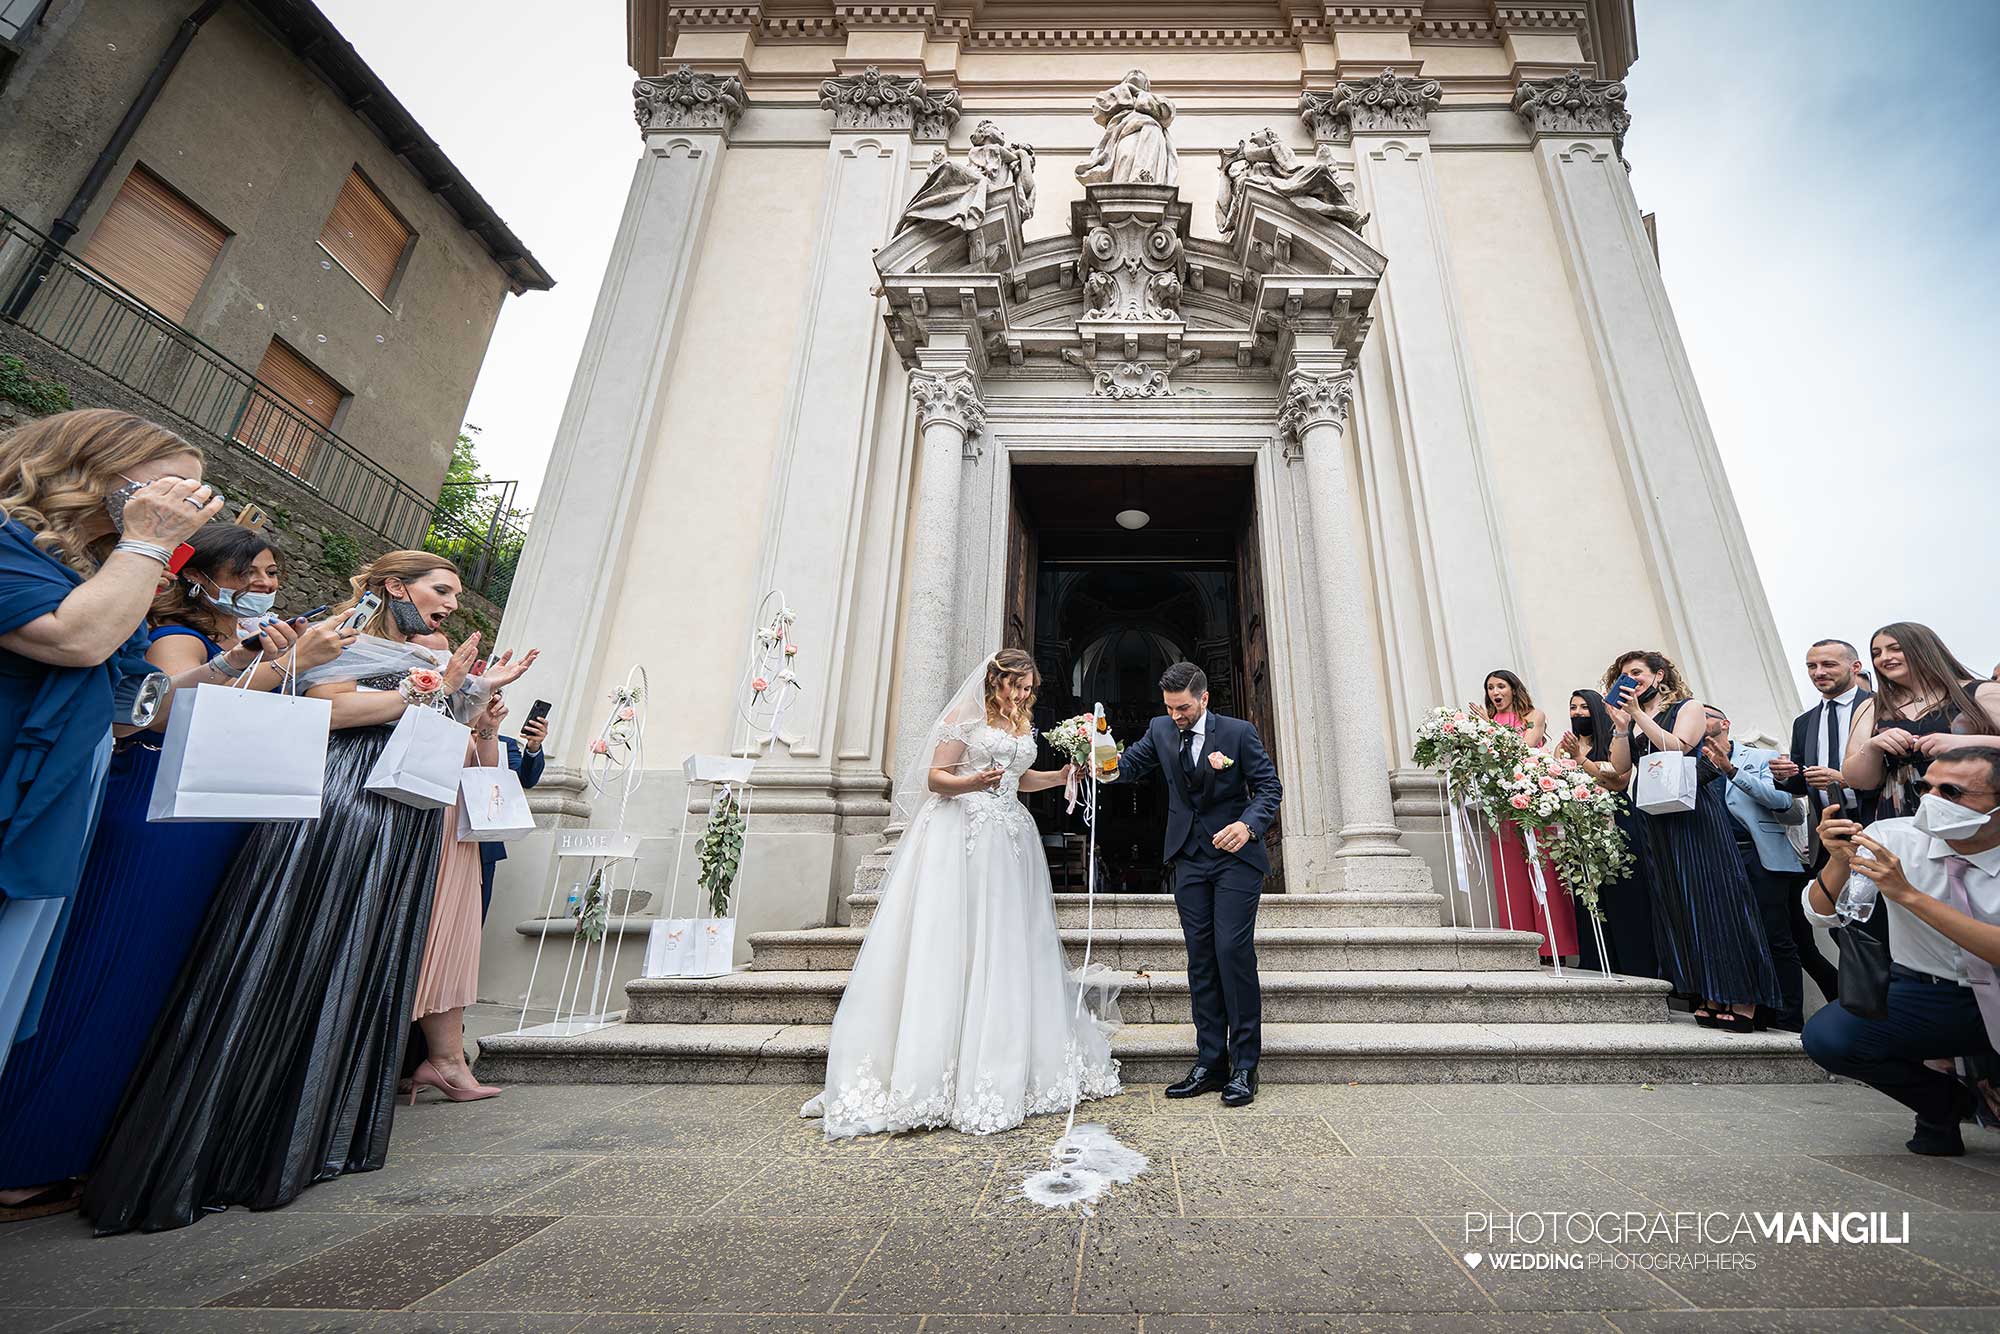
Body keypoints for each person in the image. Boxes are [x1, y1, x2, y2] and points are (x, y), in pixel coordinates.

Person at [83, 552, 537, 1233]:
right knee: (304, 945)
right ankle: (233, 1141)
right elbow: (325, 712)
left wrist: (472, 696)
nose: (450, 603)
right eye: (440, 590)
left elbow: (439, 731)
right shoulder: (340, 634)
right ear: (396, 587)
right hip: (345, 797)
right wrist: (430, 691)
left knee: (362, 958)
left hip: (405, 812)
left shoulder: (427, 653)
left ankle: (313, 1132)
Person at [0, 523, 354, 1218]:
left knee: (161, 983)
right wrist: (286, 663)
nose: (265, 584)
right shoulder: (176, 635)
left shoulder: (251, 641)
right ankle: (26, 1154)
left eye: (273, 573)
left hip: (217, 814)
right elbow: (162, 711)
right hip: (156, 810)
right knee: (112, 970)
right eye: (249, 572)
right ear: (199, 576)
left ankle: (92, 1141)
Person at [0, 410, 223, 1219]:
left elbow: (132, 712)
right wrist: (147, 544)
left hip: (60, 807)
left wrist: (248, 665)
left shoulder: (100, 569)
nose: (189, 504)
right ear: (94, 466)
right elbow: (73, 642)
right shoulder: (10, 544)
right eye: (172, 485)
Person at [804, 649, 1116, 1137]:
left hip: (1009, 837)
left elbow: (1018, 779)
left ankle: (1003, 1053)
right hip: (964, 834)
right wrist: (970, 782)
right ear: (995, 681)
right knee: (958, 939)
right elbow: (934, 778)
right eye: (1017, 686)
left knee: (1007, 943)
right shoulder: (965, 718)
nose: (1023, 695)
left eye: (1029, 688)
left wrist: (1059, 777)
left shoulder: (1019, 722)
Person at [1801, 748, 2000, 1155]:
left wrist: (1908, 895)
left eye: (1952, 792)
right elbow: (1820, 914)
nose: (1931, 801)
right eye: (1925, 788)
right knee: (1831, 1038)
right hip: (1927, 991)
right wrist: (1838, 862)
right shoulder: (1893, 837)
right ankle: (1941, 1104)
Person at [1107, 661, 1282, 1107]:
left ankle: (1245, 1065)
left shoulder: (1238, 733)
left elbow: (1269, 788)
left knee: (1231, 951)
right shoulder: (1161, 729)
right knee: (1201, 958)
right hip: (1188, 858)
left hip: (1236, 859)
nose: (1176, 715)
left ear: (1203, 698)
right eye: (1169, 707)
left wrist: (1248, 825)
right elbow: (1126, 767)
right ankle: (1210, 1062)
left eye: (1183, 707)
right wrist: (1097, 757)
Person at [1606, 650, 1781, 1033]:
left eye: (1637, 672)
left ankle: (1744, 996)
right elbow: (1621, 769)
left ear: (1659, 675)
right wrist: (1621, 727)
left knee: (1715, 899)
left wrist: (1637, 715)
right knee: (1680, 905)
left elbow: (1679, 747)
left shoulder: (1689, 707)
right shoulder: (1635, 718)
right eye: (1624, 675)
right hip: (1655, 817)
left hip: (1694, 814)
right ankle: (1710, 992)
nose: (1631, 679)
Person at [1770, 638, 1865, 1006]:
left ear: (1854, 667)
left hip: (1871, 825)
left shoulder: (1874, 707)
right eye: (1812, 666)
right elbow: (1800, 784)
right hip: (1828, 835)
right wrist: (1784, 776)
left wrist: (1843, 778)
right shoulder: (1805, 721)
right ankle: (1861, 1005)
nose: (1818, 672)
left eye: (1828, 664)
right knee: (1841, 927)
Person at [1704, 707, 1809, 1031]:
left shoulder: (1761, 757)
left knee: (1776, 937)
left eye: (1706, 714)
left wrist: (1731, 770)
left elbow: (1782, 801)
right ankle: (1754, 1009)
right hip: (1717, 860)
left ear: (1725, 723)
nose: (1697, 718)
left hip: (1759, 856)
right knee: (1734, 936)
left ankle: (1789, 1018)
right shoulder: (1692, 762)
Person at [1843, 623, 2000, 822]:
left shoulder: (1980, 692)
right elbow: (1858, 780)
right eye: (1877, 653)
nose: (1884, 657)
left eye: (1895, 649)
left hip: (1972, 808)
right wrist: (1873, 746)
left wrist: (1964, 743)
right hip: (1903, 816)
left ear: (1924, 649)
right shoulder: (1872, 707)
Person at [1475, 670, 1578, 962]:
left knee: (1544, 868)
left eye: (1501, 686)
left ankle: (1554, 946)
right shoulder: (1487, 721)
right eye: (1490, 688)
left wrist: (1488, 729)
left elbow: (1524, 748)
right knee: (1512, 874)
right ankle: (1521, 944)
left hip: (1534, 804)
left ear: (1513, 688)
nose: (1495, 692)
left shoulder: (1534, 715)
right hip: (1503, 806)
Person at [1558, 689, 1657, 980]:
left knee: (1624, 897)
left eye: (1584, 708)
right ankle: (1596, 966)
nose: (1577, 713)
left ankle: (1635, 969)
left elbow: (1619, 781)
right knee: (1589, 896)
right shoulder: (1564, 746)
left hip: (1617, 823)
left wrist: (1580, 759)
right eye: (1573, 707)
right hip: (1581, 828)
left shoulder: (1615, 740)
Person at [481, 710, 548, 921]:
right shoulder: (447, 734)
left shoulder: (505, 744)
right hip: (439, 836)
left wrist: (533, 748)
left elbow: (526, 779)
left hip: (483, 847)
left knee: (474, 913)